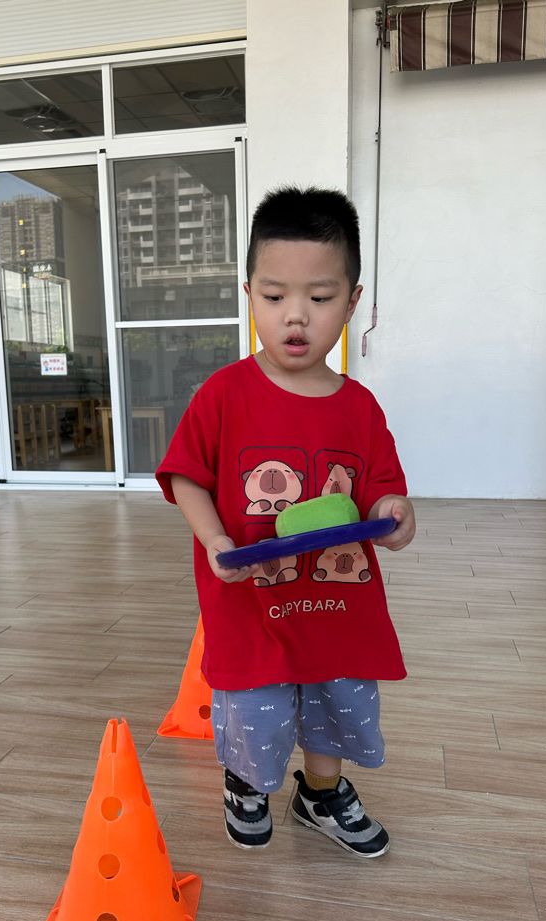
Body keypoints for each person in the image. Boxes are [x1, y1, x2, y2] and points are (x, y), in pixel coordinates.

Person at [156, 186, 415, 857]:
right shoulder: (224, 394)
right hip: (252, 605)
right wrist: (213, 536)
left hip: (338, 606)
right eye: (274, 297)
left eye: (320, 297)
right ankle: (246, 785)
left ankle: (320, 794)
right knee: (256, 710)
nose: (295, 315)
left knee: (337, 705)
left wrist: (393, 513)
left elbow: (383, 490)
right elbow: (185, 474)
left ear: (352, 303)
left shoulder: (360, 408)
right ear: (249, 296)